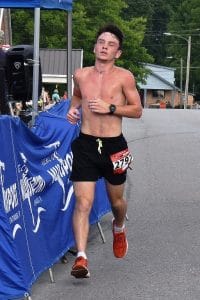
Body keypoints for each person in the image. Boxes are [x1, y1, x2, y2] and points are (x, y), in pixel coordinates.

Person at [67, 24, 142, 279]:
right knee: (83, 202)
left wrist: (110, 108)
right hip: (86, 144)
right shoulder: (80, 74)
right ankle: (81, 257)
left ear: (117, 53)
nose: (104, 46)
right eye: (101, 42)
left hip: (115, 146)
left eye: (110, 44)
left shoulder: (124, 77)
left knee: (116, 202)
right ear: (94, 47)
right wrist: (73, 109)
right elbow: (77, 97)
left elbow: (137, 110)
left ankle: (119, 227)